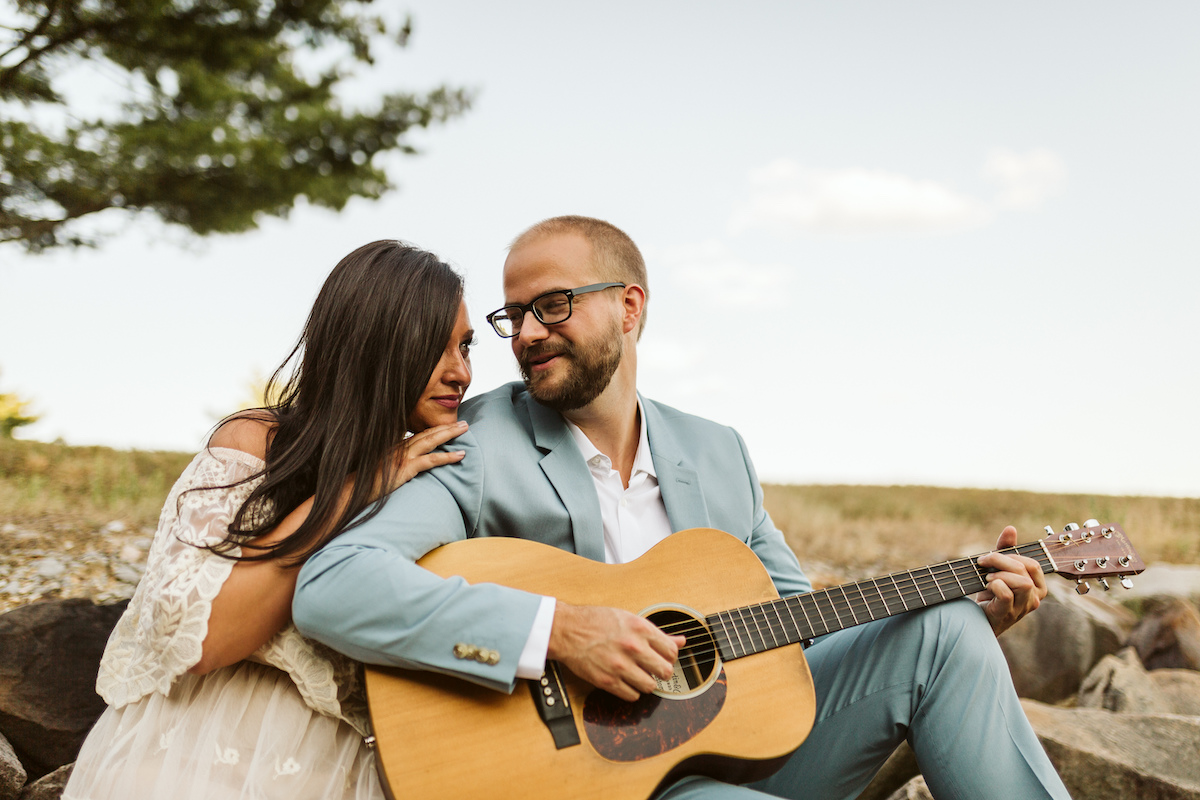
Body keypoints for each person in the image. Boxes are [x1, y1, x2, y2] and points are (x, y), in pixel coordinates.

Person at [293, 217, 1071, 799]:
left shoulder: (718, 452)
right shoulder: (485, 441)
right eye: (514, 315)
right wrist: (561, 631)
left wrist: (948, 600)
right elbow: (336, 584)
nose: (527, 333)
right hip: (581, 781)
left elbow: (796, 631)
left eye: (554, 305)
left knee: (946, 628)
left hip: (724, 748)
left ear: (629, 307)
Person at [64, 241, 475, 800]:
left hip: (345, 770)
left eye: (467, 347)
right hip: (198, 751)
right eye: (438, 348)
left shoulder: (435, 481)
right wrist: (358, 491)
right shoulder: (259, 442)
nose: (462, 373)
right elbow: (203, 636)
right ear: (378, 343)